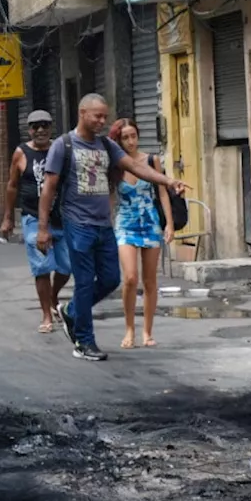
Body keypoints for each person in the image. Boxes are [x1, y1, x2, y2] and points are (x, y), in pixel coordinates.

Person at [36, 94, 187, 361]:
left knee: (110, 280)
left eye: (105, 116)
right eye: (98, 116)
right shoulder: (64, 145)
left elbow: (136, 168)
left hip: (103, 225)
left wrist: (169, 180)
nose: (103, 121)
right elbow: (48, 188)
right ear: (83, 113)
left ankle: (72, 311)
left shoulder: (106, 145)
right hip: (77, 223)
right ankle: (84, 342)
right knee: (84, 282)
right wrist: (43, 228)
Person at [0, 110, 70, 334]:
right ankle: (47, 315)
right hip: (32, 217)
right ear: (29, 129)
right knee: (41, 268)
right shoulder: (22, 153)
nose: (40, 130)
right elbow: (12, 185)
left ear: (51, 128)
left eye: (45, 125)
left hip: (60, 218)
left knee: (66, 266)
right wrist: (8, 216)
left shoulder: (60, 150)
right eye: (35, 126)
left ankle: (54, 296)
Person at [110, 118, 173, 349]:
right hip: (125, 224)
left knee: (149, 281)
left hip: (150, 223)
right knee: (130, 278)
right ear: (119, 140)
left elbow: (163, 193)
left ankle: (147, 331)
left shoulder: (150, 160)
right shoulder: (116, 165)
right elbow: (110, 198)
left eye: (133, 136)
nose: (130, 141)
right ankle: (129, 329)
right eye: (125, 137)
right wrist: (107, 226)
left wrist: (169, 224)